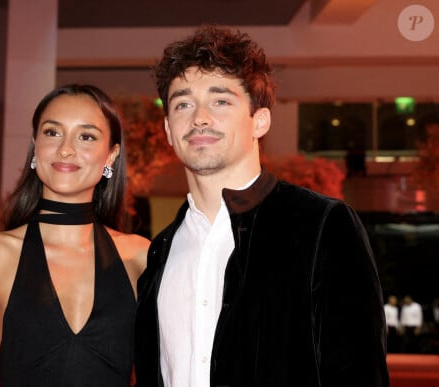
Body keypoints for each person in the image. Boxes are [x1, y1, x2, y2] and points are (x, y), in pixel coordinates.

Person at [134, 25, 389, 387]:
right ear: (168, 129)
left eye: (220, 100)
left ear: (260, 120)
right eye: (183, 104)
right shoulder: (161, 251)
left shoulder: (321, 226)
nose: (200, 117)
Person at [0, 84, 149, 386]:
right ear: (35, 145)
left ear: (111, 155)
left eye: (86, 136)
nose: (66, 149)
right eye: (52, 132)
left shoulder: (139, 257)